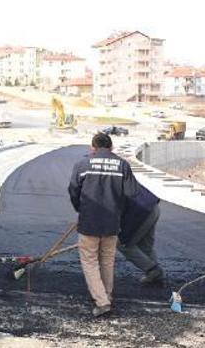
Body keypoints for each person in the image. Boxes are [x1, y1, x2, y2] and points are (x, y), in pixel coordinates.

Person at [68, 133, 138, 317]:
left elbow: (73, 190)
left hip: (89, 222)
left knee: (90, 261)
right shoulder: (122, 165)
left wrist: (80, 208)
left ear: (92, 147)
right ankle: (106, 296)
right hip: (112, 223)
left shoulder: (83, 164)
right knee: (107, 261)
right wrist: (120, 211)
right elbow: (131, 193)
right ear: (111, 147)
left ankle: (102, 301)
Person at [118, 183, 165, 284]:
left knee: (123, 244)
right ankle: (157, 276)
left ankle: (152, 270)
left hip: (140, 213)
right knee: (145, 246)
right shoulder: (113, 175)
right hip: (153, 207)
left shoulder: (102, 189)